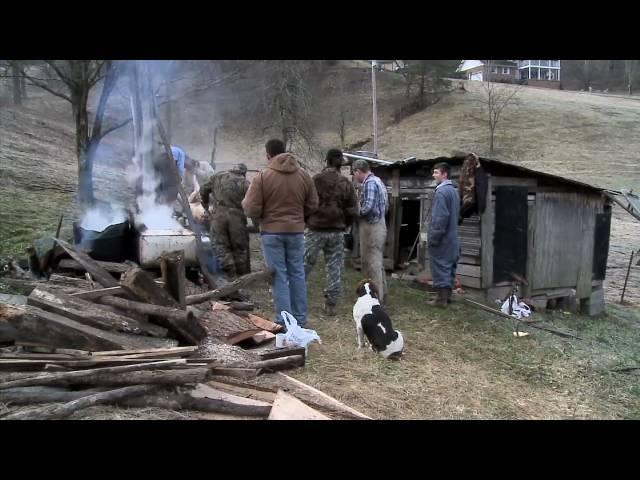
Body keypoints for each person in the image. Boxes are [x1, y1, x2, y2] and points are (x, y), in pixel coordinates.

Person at [242, 139, 318, 327]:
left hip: (271, 232)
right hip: (296, 232)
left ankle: (284, 321)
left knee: (279, 277)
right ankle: (300, 319)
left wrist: (262, 219)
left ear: (268, 154)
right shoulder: (304, 175)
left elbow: (251, 208)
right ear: (285, 151)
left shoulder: (262, 177)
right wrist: (300, 219)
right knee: (298, 274)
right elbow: (313, 204)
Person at [304, 149, 358, 316]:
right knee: (334, 268)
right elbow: (353, 210)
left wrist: (307, 221)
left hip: (315, 229)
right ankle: (331, 305)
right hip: (336, 230)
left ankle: (297, 297)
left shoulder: (315, 180)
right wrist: (344, 224)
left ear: (326, 160)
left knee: (304, 264)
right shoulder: (345, 183)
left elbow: (305, 204)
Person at [200, 163, 251, 280]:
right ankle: (241, 277)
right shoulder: (246, 183)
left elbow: (203, 189)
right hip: (237, 216)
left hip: (219, 215)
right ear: (243, 173)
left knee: (220, 245)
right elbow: (251, 202)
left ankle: (229, 275)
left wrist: (206, 203)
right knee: (239, 247)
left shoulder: (217, 177)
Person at [351, 159, 389, 304]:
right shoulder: (378, 181)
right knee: (377, 262)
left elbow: (368, 207)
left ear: (358, 171)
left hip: (372, 228)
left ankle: (375, 299)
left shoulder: (370, 183)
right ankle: (383, 294)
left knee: (372, 263)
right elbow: (385, 206)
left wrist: (355, 211)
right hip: (379, 224)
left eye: (355, 174)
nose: (355, 178)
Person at [428, 162, 460, 307]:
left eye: (436, 172)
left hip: (443, 237)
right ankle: (447, 297)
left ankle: (441, 300)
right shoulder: (454, 191)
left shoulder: (441, 192)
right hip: (453, 236)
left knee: (440, 267)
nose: (433, 175)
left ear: (444, 174)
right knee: (449, 267)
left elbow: (440, 218)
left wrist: (433, 238)